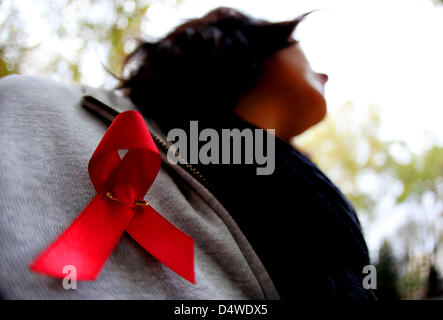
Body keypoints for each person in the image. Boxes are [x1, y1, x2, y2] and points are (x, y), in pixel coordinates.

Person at [0, 7, 375, 300]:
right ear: (241, 41)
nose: (324, 74)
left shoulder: (311, 207)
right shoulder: (41, 105)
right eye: (298, 43)